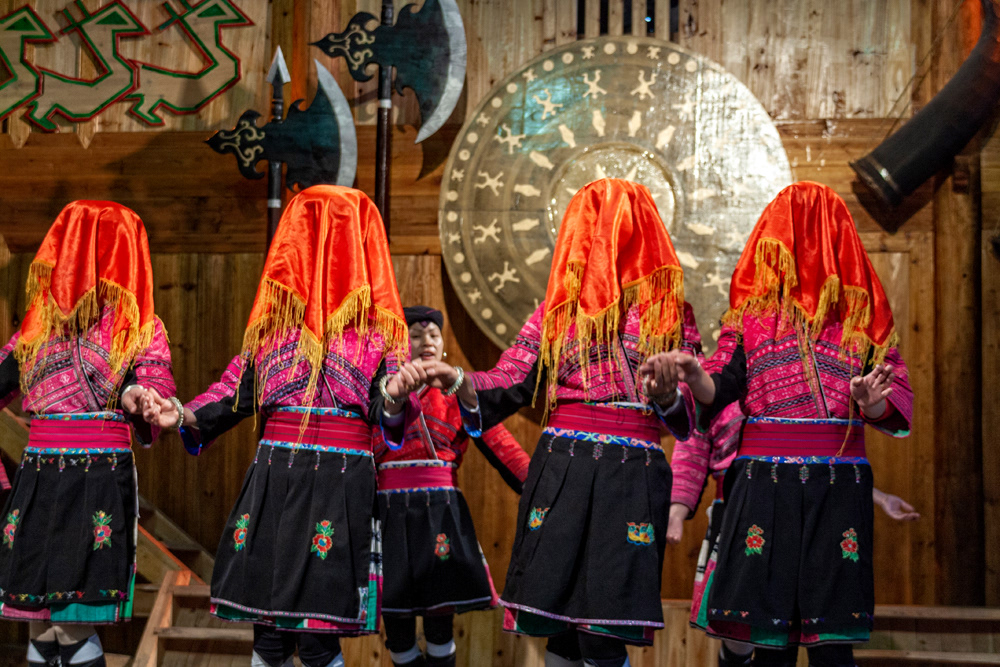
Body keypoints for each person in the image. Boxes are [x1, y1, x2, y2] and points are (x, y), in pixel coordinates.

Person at [410, 179, 700, 667]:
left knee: (602, 631)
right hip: (564, 470)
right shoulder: (557, 312)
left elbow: (691, 414)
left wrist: (668, 395)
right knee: (560, 625)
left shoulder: (670, 315)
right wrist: (459, 379)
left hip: (629, 478)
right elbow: (511, 379)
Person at [141, 185, 418, 667]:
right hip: (276, 481)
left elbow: (388, 410)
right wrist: (181, 414)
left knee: (317, 638)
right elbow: (235, 391)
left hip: (337, 487)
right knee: (268, 635)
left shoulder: (381, 332)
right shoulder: (272, 329)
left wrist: (395, 397)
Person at [671, 182, 914, 667]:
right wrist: (696, 374)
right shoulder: (752, 318)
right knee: (769, 640)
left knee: (832, 644)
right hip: (767, 486)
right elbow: (721, 384)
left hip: (837, 488)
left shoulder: (863, 320)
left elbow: (897, 405)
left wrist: (869, 405)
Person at [0, 201, 176, 667]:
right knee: (39, 621)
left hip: (94, 478)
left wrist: (142, 397)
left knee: (71, 621)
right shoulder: (38, 327)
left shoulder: (138, 326)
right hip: (39, 477)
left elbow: (150, 380)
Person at [667, 402, 919, 667]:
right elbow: (691, 451)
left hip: (810, 514)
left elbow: (820, 460)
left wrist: (879, 496)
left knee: (814, 630)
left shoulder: (803, 393)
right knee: (744, 630)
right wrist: (676, 511)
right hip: (740, 511)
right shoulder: (716, 390)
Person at [375, 305, 531, 667]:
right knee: (397, 623)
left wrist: (546, 490)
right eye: (415, 335)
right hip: (390, 516)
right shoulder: (382, 394)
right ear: (400, 345)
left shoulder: (458, 394)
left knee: (439, 620)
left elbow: (503, 447)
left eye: (433, 335)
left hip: (440, 515)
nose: (426, 341)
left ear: (443, 345)